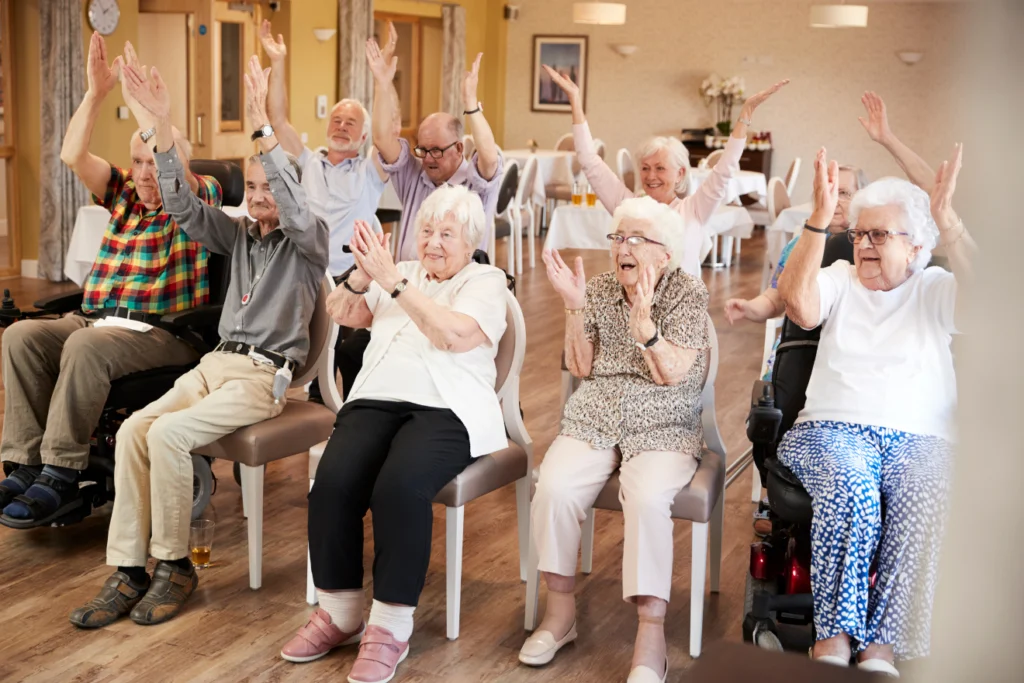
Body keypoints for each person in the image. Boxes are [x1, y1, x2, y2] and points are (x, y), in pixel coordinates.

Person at [69, 55, 328, 628]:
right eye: (253, 187)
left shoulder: (310, 243)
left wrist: (263, 123)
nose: (260, 196)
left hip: (263, 376)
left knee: (168, 434)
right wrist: (163, 126)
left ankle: (173, 565)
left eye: (269, 188)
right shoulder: (237, 235)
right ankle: (130, 572)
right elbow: (183, 206)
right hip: (216, 364)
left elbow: (292, 200)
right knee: (137, 428)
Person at [281, 186, 508, 683]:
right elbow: (344, 314)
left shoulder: (487, 280)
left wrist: (395, 284)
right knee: (332, 483)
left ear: (470, 241)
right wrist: (364, 279)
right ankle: (340, 614)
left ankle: (389, 627)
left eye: (447, 234)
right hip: (376, 399)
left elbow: (450, 335)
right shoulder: (397, 270)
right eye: (426, 231)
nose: (433, 243)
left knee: (399, 488)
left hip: (448, 408)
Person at [0, 35, 220, 528]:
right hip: (98, 320)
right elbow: (72, 154)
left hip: (164, 332)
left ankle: (60, 471)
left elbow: (171, 169)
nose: (145, 174)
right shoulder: (122, 194)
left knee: (83, 348)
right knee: (20, 336)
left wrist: (152, 112)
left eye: (154, 162)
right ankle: (26, 462)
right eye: (137, 162)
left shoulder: (197, 199)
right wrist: (97, 93)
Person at [776, 146, 975, 673]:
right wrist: (818, 223)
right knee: (852, 489)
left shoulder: (935, 288)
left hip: (922, 438)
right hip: (830, 430)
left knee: (926, 489)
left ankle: (882, 646)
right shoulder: (840, 277)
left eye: (879, 235)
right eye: (861, 233)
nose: (863, 244)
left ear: (915, 247)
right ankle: (834, 639)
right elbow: (798, 306)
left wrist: (948, 218)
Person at [520, 197, 710, 682]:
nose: (622, 247)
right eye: (618, 237)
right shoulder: (601, 288)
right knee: (555, 488)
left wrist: (645, 327)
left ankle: (650, 634)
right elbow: (581, 367)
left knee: (647, 498)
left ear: (664, 253)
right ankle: (560, 614)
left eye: (636, 239)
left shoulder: (686, 293)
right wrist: (573, 306)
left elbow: (672, 373)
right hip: (598, 413)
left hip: (663, 420)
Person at [724, 91, 934, 381]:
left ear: (864, 199)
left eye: (844, 193)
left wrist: (887, 139)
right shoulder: (800, 245)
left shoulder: (883, 247)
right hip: (802, 357)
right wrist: (751, 307)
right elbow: (777, 296)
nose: (834, 200)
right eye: (828, 191)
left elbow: (930, 195)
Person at [543, 66, 788, 276]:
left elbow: (724, 170)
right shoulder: (627, 205)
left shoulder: (694, 209)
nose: (651, 176)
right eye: (646, 168)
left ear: (680, 174)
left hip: (681, 313)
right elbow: (589, 161)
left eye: (660, 168)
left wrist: (744, 115)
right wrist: (575, 100)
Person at [259, 20, 392, 401]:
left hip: (355, 273)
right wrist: (278, 62)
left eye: (351, 123)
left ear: (364, 136)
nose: (342, 126)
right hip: (311, 271)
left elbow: (386, 136)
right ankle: (305, 394)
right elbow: (277, 120)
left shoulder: (370, 168)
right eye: (336, 120)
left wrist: (382, 82)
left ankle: (351, 405)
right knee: (305, 347)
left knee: (351, 353)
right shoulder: (307, 162)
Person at [366, 31, 503, 262]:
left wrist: (471, 104)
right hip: (407, 284)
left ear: (459, 149)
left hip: (457, 289)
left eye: (437, 151)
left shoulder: (476, 185)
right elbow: (382, 140)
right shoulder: (414, 175)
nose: (428, 159)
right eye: (423, 150)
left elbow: (489, 157)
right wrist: (381, 83)